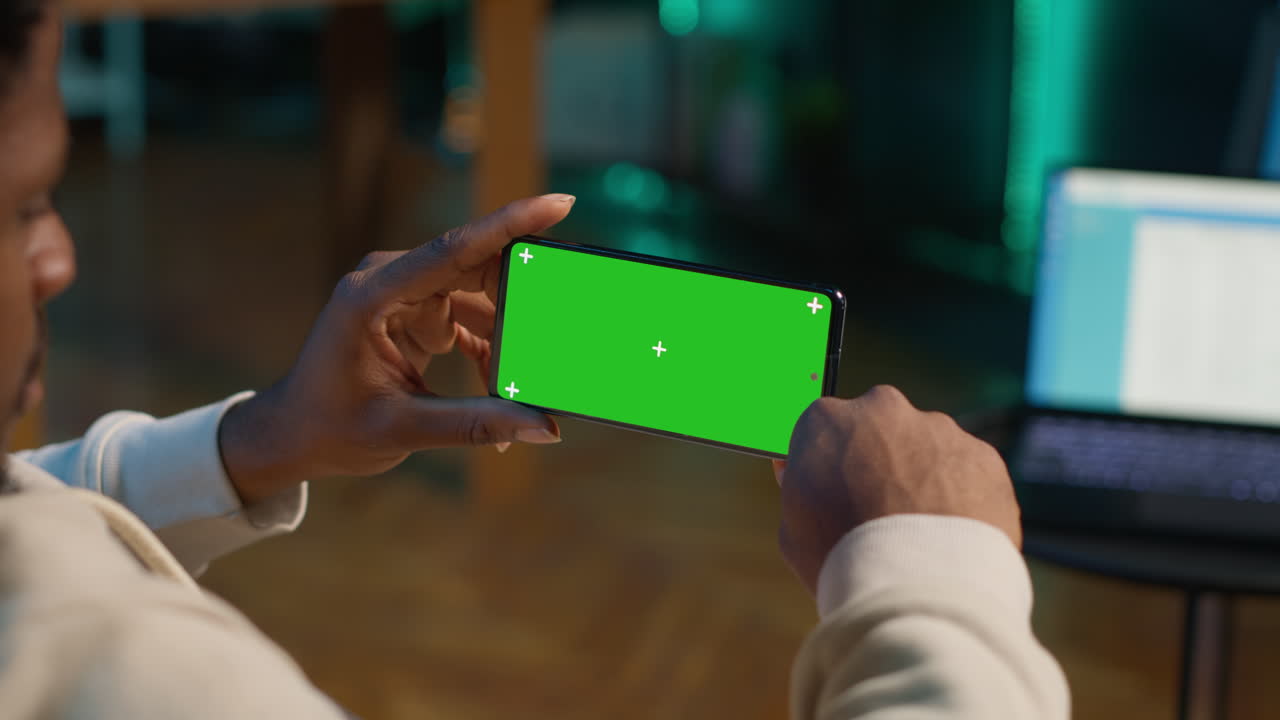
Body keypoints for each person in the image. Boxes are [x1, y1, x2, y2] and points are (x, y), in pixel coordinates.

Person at [0, 2, 1069, 717]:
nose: (61, 255)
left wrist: (255, 442)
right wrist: (938, 581)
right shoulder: (127, 665)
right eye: (26, 202)